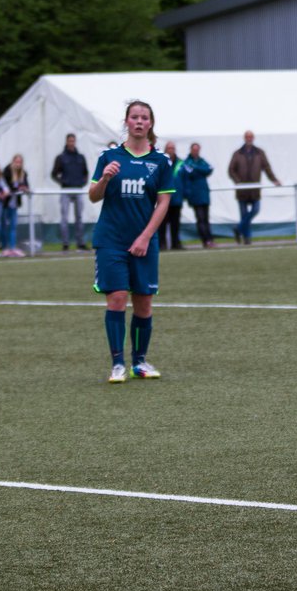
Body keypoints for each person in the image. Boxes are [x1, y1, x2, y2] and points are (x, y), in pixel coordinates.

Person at [89, 100, 175, 383]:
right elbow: (93, 195)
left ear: (151, 124)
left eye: (144, 118)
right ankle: (117, 364)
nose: (139, 122)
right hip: (111, 240)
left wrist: (145, 237)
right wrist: (104, 179)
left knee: (144, 302)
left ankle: (140, 361)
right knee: (116, 298)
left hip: (144, 242)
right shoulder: (109, 157)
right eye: (134, 117)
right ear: (126, 122)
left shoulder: (161, 162)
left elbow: (163, 203)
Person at [228, 130, 280, 245]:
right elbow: (231, 170)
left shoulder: (259, 153)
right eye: (247, 137)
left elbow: (267, 168)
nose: (249, 139)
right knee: (244, 215)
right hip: (242, 190)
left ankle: (238, 228)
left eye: (251, 137)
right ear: (244, 138)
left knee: (255, 210)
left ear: (253, 138)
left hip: (255, 190)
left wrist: (274, 180)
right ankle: (247, 239)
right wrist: (238, 182)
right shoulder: (237, 153)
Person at [51, 133, 90, 251]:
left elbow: (86, 172)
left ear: (75, 142)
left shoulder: (81, 157)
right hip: (66, 190)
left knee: (79, 217)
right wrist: (63, 182)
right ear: (66, 142)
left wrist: (82, 183)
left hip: (78, 189)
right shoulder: (61, 157)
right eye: (70, 141)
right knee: (64, 218)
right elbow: (54, 174)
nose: (71, 143)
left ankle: (80, 243)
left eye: (73, 141)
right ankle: (65, 243)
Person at [182, 143, 215, 247]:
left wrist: (196, 168)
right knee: (200, 218)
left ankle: (210, 239)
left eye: (197, 150)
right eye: (194, 150)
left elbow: (209, 169)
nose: (196, 152)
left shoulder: (201, 161)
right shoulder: (187, 162)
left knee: (206, 218)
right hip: (195, 195)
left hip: (204, 194)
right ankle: (205, 240)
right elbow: (189, 172)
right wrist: (201, 170)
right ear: (191, 150)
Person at [157, 141, 185, 250]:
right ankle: (162, 243)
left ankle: (175, 243)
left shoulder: (180, 163)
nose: (171, 150)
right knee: (162, 222)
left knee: (175, 223)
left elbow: (185, 179)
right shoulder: (161, 162)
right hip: (163, 198)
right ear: (165, 149)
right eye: (169, 148)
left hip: (177, 198)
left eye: (172, 148)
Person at [1, 154, 31, 257]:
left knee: (13, 226)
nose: (18, 164)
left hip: (14, 204)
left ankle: (13, 248)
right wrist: (19, 187)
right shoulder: (7, 171)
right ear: (13, 161)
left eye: (20, 162)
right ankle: (5, 248)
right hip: (5, 203)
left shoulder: (23, 173)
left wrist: (25, 188)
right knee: (4, 226)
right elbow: (6, 186)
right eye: (16, 161)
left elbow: (26, 185)